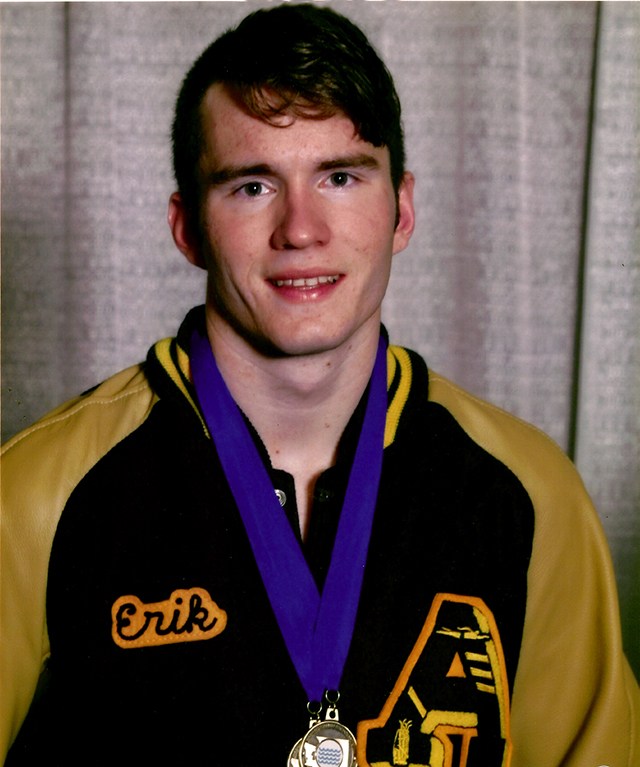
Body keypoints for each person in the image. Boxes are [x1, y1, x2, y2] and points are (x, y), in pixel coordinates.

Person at [1, 4, 638, 766]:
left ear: (401, 209)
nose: (300, 229)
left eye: (339, 176)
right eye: (252, 186)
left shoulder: (532, 493)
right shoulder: (34, 497)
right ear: (188, 227)